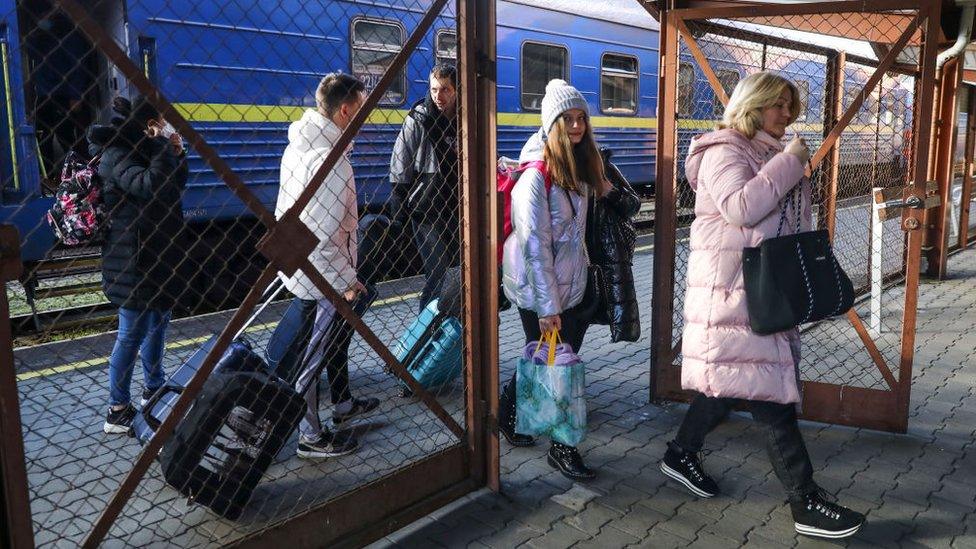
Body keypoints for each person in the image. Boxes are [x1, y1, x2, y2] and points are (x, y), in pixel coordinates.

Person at [659, 71, 866, 539]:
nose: (787, 114)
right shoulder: (724, 150)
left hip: (760, 292)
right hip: (733, 295)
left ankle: (681, 452)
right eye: (779, 105)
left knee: (732, 383)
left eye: (790, 106)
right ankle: (805, 501)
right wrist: (791, 163)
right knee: (770, 395)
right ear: (753, 105)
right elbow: (740, 207)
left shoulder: (764, 151)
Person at [499, 79, 613, 481]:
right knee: (558, 369)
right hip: (540, 291)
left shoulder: (575, 166)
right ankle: (563, 449)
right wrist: (548, 308)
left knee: (548, 359)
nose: (578, 125)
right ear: (551, 123)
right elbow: (535, 247)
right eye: (568, 118)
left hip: (571, 285)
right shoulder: (535, 178)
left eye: (582, 117)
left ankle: (508, 416)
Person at [274, 72, 379, 459]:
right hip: (321, 280)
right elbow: (324, 237)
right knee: (310, 360)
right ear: (346, 110)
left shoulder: (298, 147)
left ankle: (326, 419)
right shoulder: (334, 163)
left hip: (300, 269)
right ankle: (310, 437)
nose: (366, 117)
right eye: (363, 108)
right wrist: (347, 281)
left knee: (309, 353)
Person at [88, 96, 188, 434]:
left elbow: (173, 187)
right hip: (131, 261)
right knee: (130, 333)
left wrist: (177, 154)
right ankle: (117, 409)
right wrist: (162, 148)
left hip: (157, 256)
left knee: (159, 322)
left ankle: (153, 389)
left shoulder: (148, 150)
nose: (165, 127)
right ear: (146, 126)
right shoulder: (117, 154)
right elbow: (150, 185)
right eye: (160, 122)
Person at [390, 63, 460, 312]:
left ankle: (453, 325)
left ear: (456, 90)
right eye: (433, 90)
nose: (438, 96)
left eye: (445, 90)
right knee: (438, 271)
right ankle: (425, 328)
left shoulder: (466, 117)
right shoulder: (419, 117)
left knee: (458, 269)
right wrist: (399, 206)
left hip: (459, 207)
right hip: (427, 209)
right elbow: (401, 159)